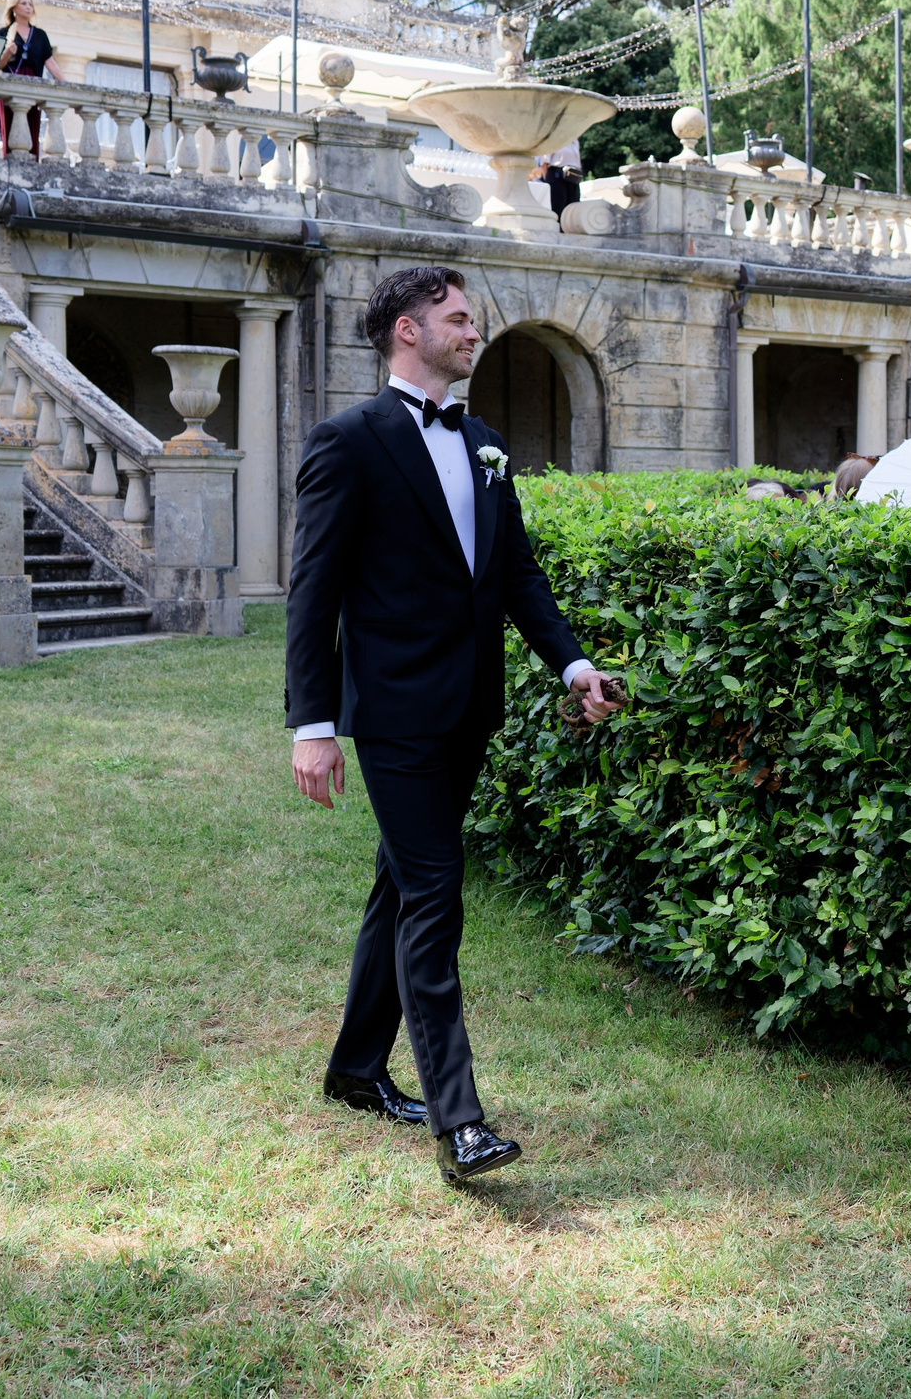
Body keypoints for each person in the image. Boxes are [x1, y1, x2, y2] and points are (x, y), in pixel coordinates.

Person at [286, 265, 623, 1186]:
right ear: (408, 330)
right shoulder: (346, 442)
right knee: (436, 892)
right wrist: (312, 724)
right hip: (391, 713)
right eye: (460, 319)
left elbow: (515, 573)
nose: (475, 331)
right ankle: (460, 1122)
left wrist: (573, 662)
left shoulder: (481, 440)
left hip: (471, 707)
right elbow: (312, 594)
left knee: (400, 888)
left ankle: (356, 1069)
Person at [0, 0, 55, 160]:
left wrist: (66, 84)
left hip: (32, 84)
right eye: (23, 3)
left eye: (30, 4)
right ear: (14, 7)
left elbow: (50, 62)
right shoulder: (3, 32)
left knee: (32, 126)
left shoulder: (40, 35)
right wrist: (8, 53)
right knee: (9, 126)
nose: (28, 7)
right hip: (9, 84)